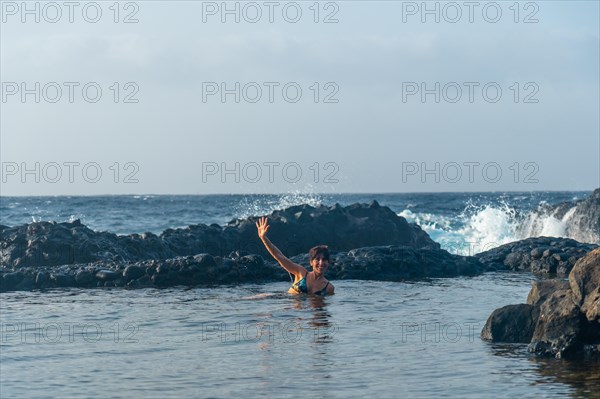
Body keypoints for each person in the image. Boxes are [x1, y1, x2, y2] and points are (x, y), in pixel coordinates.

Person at [256, 216, 335, 296]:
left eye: (324, 259)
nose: (321, 263)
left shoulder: (329, 288)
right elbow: (280, 257)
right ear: (311, 262)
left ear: (328, 263)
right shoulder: (301, 272)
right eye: (317, 259)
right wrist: (264, 238)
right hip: (284, 303)